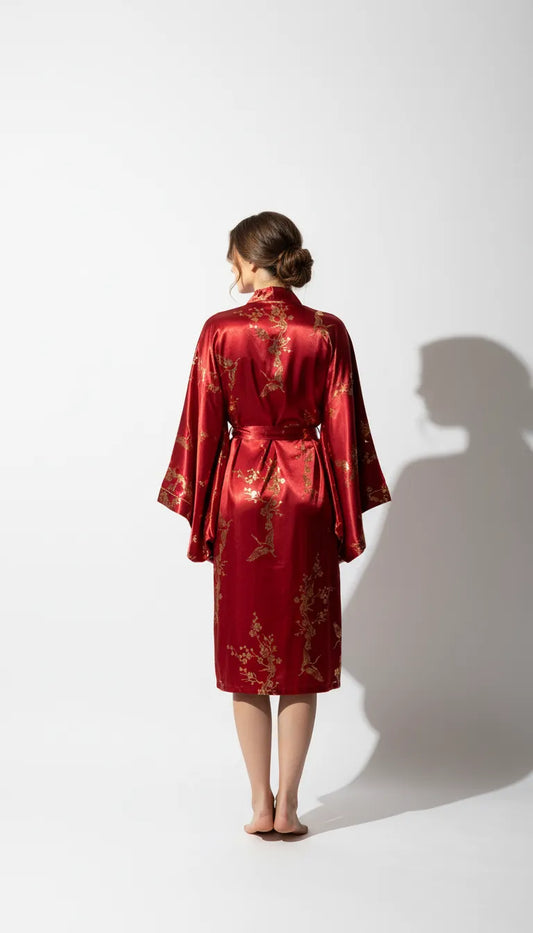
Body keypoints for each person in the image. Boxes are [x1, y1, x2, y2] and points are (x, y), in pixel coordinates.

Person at [157, 211, 391, 836]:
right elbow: (343, 424)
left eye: (231, 257)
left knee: (247, 653)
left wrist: (196, 503)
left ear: (248, 259)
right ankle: (289, 806)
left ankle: (260, 804)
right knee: (299, 653)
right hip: (308, 492)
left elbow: (204, 421)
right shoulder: (328, 331)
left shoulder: (220, 330)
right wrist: (345, 508)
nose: (229, 267)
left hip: (240, 492)